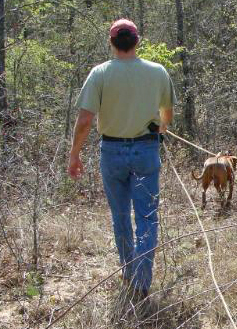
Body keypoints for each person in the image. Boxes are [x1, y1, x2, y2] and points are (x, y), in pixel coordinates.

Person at [68, 19, 176, 303]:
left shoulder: (100, 73)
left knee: (121, 218)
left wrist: (74, 154)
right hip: (146, 151)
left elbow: (85, 121)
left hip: (112, 153)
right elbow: (167, 114)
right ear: (137, 41)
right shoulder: (158, 71)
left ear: (112, 42)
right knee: (147, 218)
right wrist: (161, 128)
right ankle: (140, 281)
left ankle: (131, 275)